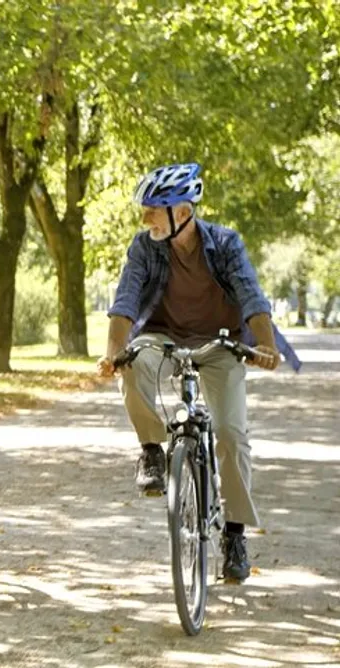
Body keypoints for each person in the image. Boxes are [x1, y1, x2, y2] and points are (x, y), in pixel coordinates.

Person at [97, 163, 300, 582]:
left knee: (231, 434)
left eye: (154, 209)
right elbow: (126, 301)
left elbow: (251, 295)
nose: (145, 218)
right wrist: (113, 352)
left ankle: (235, 534)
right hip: (163, 338)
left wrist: (263, 344)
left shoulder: (225, 244)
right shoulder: (144, 247)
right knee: (134, 363)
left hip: (221, 341)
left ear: (183, 213)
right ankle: (152, 450)